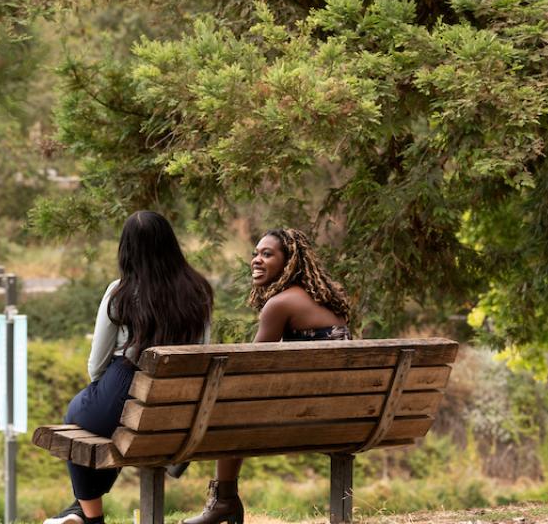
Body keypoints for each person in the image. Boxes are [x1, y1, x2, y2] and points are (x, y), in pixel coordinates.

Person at [45, 211, 214, 524]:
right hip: (181, 408)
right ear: (171, 245)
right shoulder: (199, 291)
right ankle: (79, 511)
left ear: (127, 250)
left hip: (126, 385)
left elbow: (96, 364)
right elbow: (202, 353)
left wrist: (102, 391)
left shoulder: (120, 292)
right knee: (115, 424)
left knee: (78, 417)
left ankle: (88, 515)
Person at [185, 227, 352, 524]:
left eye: (267, 254)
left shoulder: (280, 304)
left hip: (306, 417)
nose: (256, 260)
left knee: (228, 409)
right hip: (344, 414)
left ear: (290, 262)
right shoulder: (326, 299)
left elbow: (249, 367)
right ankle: (220, 499)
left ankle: (223, 501)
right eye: (255, 254)